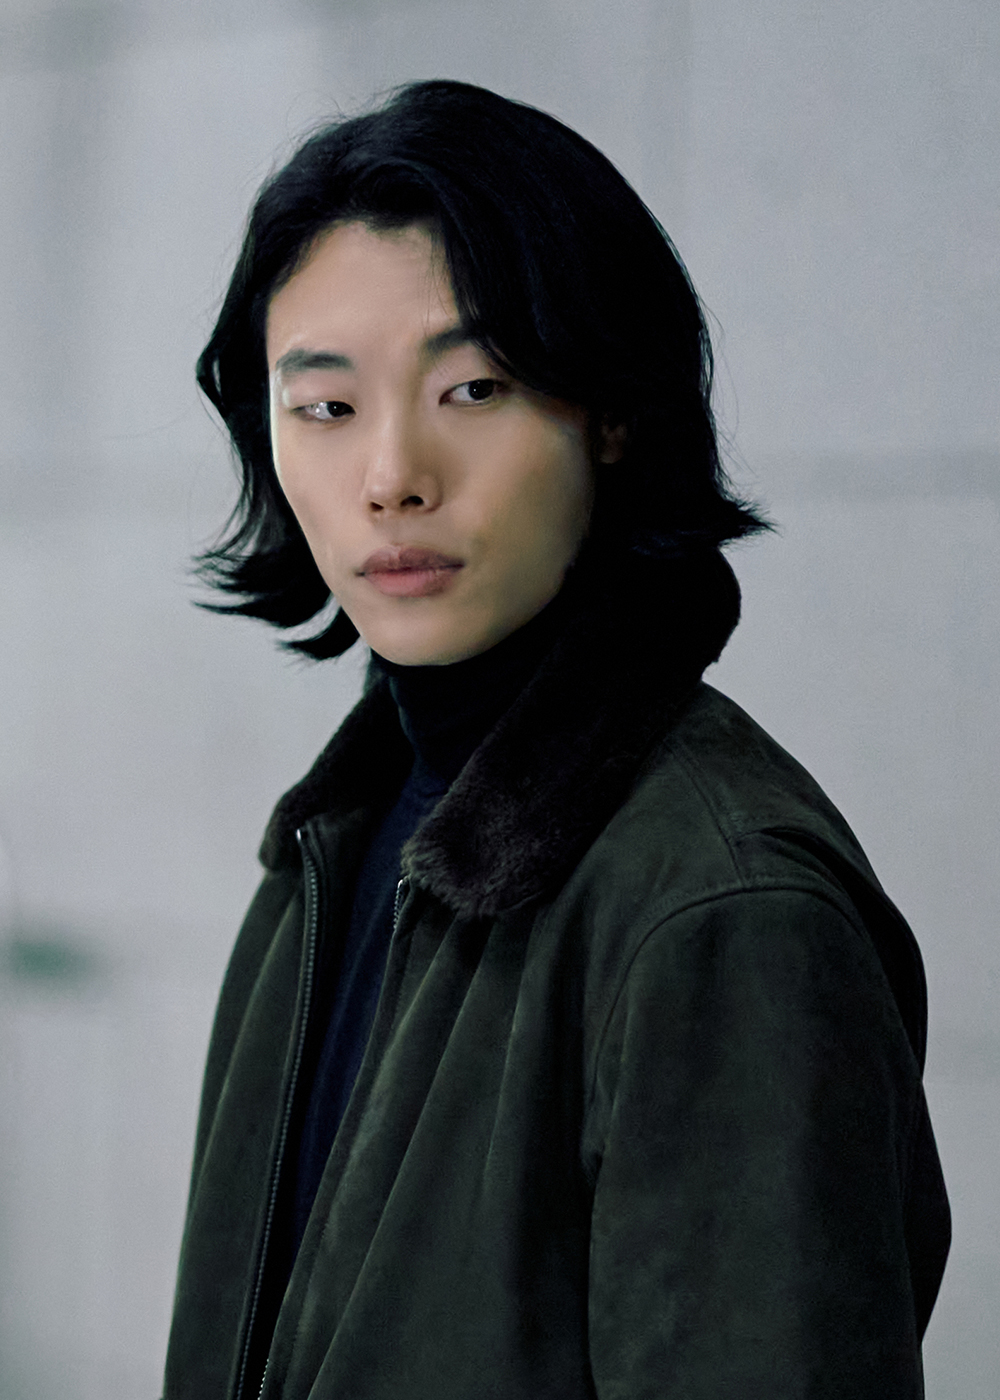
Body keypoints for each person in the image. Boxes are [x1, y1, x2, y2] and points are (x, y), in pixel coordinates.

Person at [162, 79, 950, 1400]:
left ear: (612, 414)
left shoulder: (722, 912)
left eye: (474, 387)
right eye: (326, 407)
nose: (392, 476)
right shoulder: (328, 851)